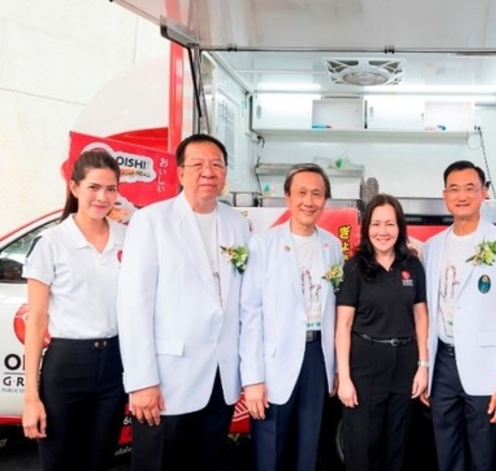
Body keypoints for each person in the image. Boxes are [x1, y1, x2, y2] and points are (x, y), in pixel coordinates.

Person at [117, 133, 250, 471]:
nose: (208, 172)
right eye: (198, 164)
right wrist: (142, 381)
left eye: (217, 165)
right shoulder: (152, 221)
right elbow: (134, 305)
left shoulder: (237, 224)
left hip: (220, 378)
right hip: (167, 380)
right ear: (180, 172)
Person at [22, 150, 127, 471]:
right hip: (67, 365)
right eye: (94, 187)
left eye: (110, 189)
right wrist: (31, 397)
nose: (102, 197)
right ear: (74, 187)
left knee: (100, 462)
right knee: (60, 463)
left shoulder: (129, 237)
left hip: (115, 364)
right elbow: (36, 321)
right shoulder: (51, 242)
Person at [239, 163, 343, 471]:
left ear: (325, 200)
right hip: (274, 361)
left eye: (317, 194)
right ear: (287, 197)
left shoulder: (332, 246)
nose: (309, 201)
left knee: (309, 448)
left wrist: (336, 367)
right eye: (301, 193)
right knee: (271, 450)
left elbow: (337, 310)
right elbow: (250, 314)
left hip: (317, 358)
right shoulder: (263, 245)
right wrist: (253, 379)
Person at [422, 160, 496, 471]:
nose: (462, 196)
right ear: (445, 195)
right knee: (447, 454)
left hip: (487, 368)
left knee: (485, 457)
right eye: (454, 189)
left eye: (470, 188)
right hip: (442, 365)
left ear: (484, 193)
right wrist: (425, 369)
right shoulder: (432, 247)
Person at [336, 194, 429, 471]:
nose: (383, 231)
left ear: (400, 227)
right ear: (366, 228)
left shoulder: (412, 265)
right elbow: (343, 325)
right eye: (376, 224)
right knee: (362, 448)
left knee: (397, 447)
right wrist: (344, 378)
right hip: (365, 363)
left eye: (390, 224)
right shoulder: (355, 268)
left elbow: (421, 316)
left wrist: (423, 366)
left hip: (404, 363)